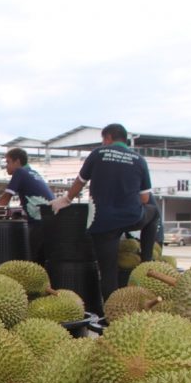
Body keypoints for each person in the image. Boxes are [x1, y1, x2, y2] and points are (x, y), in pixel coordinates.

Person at [51, 122, 160, 300]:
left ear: (108, 138)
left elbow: (80, 181)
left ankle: (109, 314)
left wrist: (66, 199)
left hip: (104, 223)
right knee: (153, 212)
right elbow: (145, 199)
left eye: (103, 140)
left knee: (108, 272)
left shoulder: (98, 154)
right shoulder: (139, 160)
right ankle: (146, 262)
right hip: (132, 217)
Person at [0, 147, 55, 262]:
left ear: (17, 162)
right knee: (43, 259)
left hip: (38, 222)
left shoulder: (20, 172)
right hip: (50, 221)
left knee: (30, 259)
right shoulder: (33, 172)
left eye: (8, 162)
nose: (6, 166)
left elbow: (6, 197)